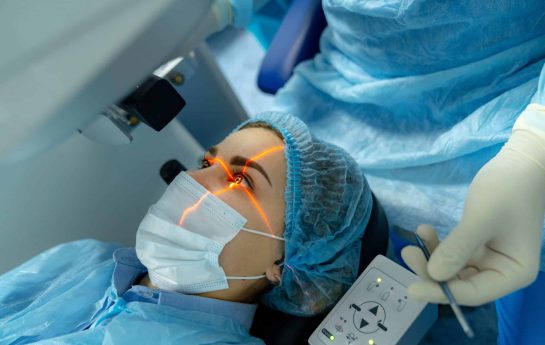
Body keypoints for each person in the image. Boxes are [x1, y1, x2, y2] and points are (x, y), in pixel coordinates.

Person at [247, 0, 545, 343]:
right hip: (347, 92)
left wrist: (534, 147)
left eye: (241, 178)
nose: (194, 187)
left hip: (513, 99)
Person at [0, 112, 373, 344]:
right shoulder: (82, 256)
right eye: (207, 161)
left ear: (286, 261)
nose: (193, 178)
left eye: (242, 180)